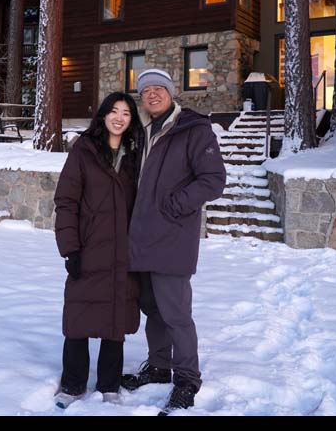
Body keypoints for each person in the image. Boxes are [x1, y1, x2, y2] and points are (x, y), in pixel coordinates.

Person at [120, 68, 226, 415]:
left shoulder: (193, 129)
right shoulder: (142, 131)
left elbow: (213, 180)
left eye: (158, 89)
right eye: (145, 90)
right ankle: (158, 366)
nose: (152, 94)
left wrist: (174, 205)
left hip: (173, 236)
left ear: (170, 93)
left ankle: (187, 379)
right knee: (152, 309)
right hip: (141, 237)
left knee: (176, 313)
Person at [53, 92, 144, 409]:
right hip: (88, 247)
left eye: (126, 113)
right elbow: (66, 201)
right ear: (103, 115)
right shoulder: (84, 150)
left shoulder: (135, 156)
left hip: (122, 251)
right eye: (114, 111)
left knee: (115, 319)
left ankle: (109, 385)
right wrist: (70, 249)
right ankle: (72, 384)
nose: (119, 118)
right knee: (78, 316)